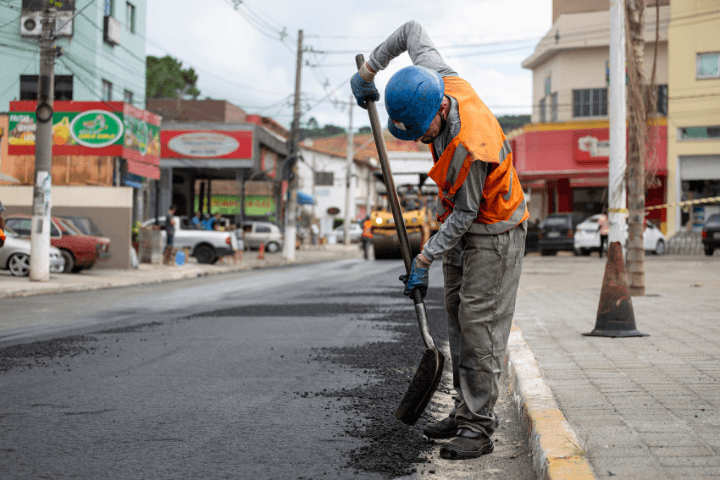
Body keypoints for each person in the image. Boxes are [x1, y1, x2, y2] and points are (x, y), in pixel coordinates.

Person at [352, 21, 528, 460]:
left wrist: (424, 259)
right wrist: (370, 70)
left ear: (438, 112)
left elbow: (468, 214)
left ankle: (479, 428)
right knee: (455, 316)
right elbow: (411, 31)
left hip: (495, 229)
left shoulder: (470, 145)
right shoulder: (434, 77)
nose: (423, 140)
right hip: (462, 221)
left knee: (479, 326)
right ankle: (463, 408)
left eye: (423, 133)